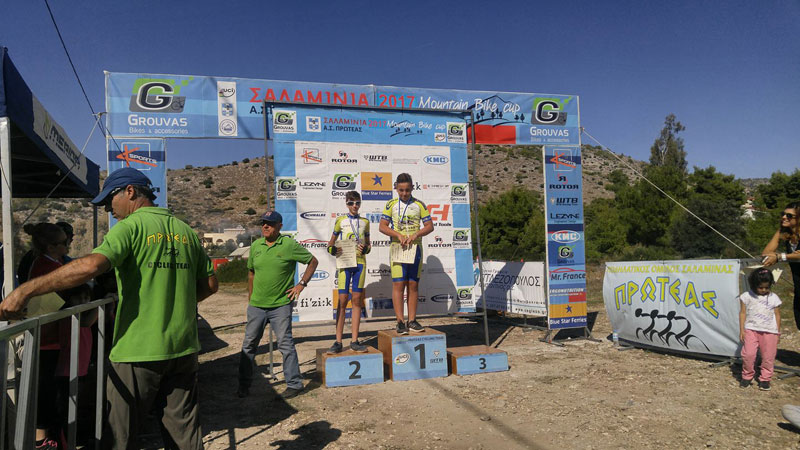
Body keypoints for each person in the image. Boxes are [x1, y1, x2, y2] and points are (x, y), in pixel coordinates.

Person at [0, 167, 218, 449]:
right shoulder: (185, 230)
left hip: (138, 349)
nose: (107, 209)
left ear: (130, 192)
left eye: (109, 200)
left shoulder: (130, 227)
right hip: (184, 347)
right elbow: (210, 285)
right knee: (184, 436)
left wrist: (25, 290)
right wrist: (173, 304)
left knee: (119, 437)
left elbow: (91, 266)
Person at [238, 210, 318, 399]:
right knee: (248, 345)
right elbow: (251, 273)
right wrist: (251, 298)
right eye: (263, 223)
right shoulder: (256, 246)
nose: (265, 226)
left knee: (285, 344)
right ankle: (243, 385)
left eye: (270, 223)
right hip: (256, 306)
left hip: (280, 306)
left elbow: (313, 261)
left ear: (279, 226)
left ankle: (294, 384)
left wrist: (301, 284)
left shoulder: (289, 245)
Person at [21, 222, 71, 449]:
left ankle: (48, 437)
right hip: (47, 338)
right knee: (48, 390)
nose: (67, 246)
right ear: (51, 247)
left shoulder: (48, 263)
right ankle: (43, 439)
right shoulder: (47, 267)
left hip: (51, 336)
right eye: (63, 243)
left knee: (52, 390)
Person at [379, 173, 434, 335]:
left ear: (412, 188)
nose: (404, 193)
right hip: (398, 248)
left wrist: (416, 234)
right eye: (401, 190)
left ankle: (412, 320)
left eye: (407, 190)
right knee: (398, 284)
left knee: (413, 285)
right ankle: (400, 321)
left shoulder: (419, 205)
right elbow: (382, 226)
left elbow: (429, 226)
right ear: (396, 188)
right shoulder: (391, 204)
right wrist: (398, 235)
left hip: (415, 249)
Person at [326, 191, 371, 353]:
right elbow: (330, 245)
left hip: (360, 264)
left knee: (357, 300)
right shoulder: (341, 221)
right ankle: (338, 341)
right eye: (351, 203)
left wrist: (366, 249)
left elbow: (369, 246)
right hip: (345, 263)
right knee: (343, 300)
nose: (354, 206)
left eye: (357, 203)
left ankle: (354, 340)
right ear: (346, 204)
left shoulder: (365, 222)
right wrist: (333, 250)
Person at [739, 268, 781, 391]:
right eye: (760, 287)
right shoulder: (746, 296)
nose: (763, 290)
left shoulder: (774, 298)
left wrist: (778, 332)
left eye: (766, 287)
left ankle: (765, 378)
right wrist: (742, 330)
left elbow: (777, 315)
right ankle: (747, 375)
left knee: (768, 356)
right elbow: (742, 313)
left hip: (769, 331)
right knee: (748, 354)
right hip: (751, 329)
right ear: (754, 284)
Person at [762, 202, 800, 329]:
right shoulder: (785, 234)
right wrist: (780, 232)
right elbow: (766, 253)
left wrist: (780, 257)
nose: (784, 217)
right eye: (783, 214)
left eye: (789, 216)